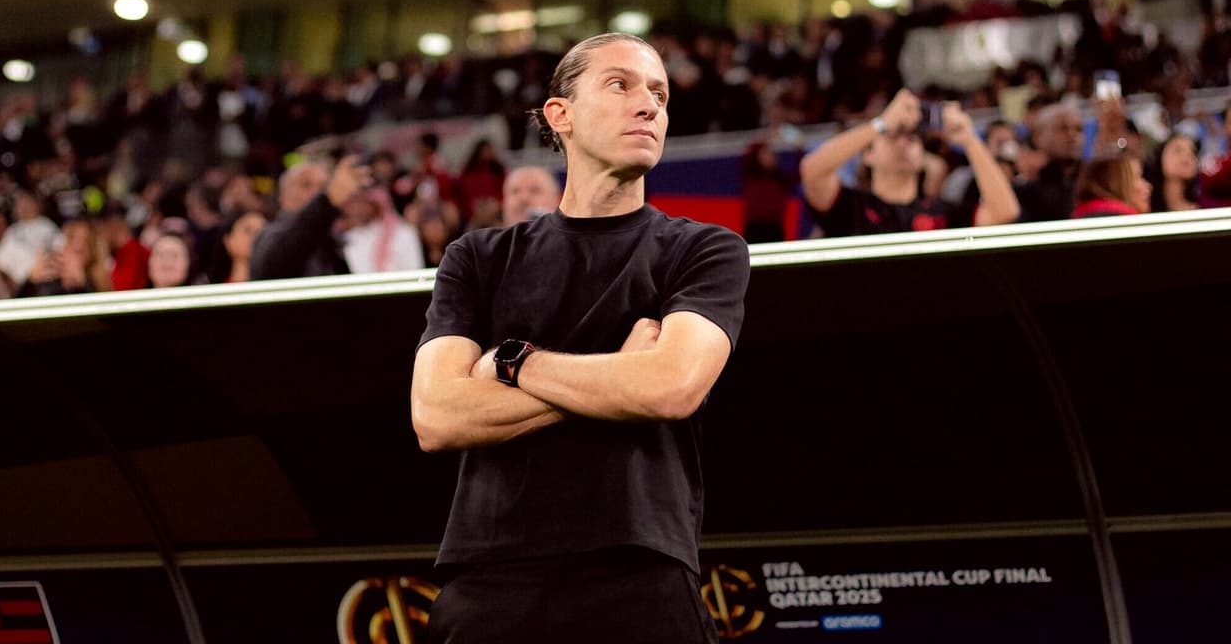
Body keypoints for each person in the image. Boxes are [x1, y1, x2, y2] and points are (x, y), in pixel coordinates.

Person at [411, 32, 749, 644]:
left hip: (641, 574)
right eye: (620, 84)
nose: (648, 105)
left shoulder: (705, 249)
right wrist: (620, 373)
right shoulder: (477, 257)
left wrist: (511, 363)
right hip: (488, 578)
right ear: (559, 114)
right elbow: (436, 416)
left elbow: (670, 387)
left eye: (660, 95)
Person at [800, 89, 1020, 237]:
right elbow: (812, 170)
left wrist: (969, 139)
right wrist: (881, 124)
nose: (903, 144)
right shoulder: (851, 206)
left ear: (924, 157)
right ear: (868, 155)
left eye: (912, 138)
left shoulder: (942, 213)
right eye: (892, 136)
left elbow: (1004, 211)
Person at [248, 156, 369, 280]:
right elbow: (279, 262)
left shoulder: (330, 242)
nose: (316, 192)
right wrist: (327, 201)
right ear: (283, 195)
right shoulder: (270, 235)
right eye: (306, 185)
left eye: (322, 187)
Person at [339, 187, 424, 273]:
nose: (359, 210)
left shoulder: (405, 233)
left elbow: (414, 268)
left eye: (364, 204)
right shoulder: (352, 237)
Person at [1071, 156, 1151, 218]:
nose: (1148, 186)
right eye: (1138, 177)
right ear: (1114, 183)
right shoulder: (1127, 226)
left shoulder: (1080, 221)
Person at [208, 210, 268, 283]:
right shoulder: (213, 287)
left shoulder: (275, 285)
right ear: (228, 240)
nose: (256, 236)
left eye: (262, 232)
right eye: (247, 230)